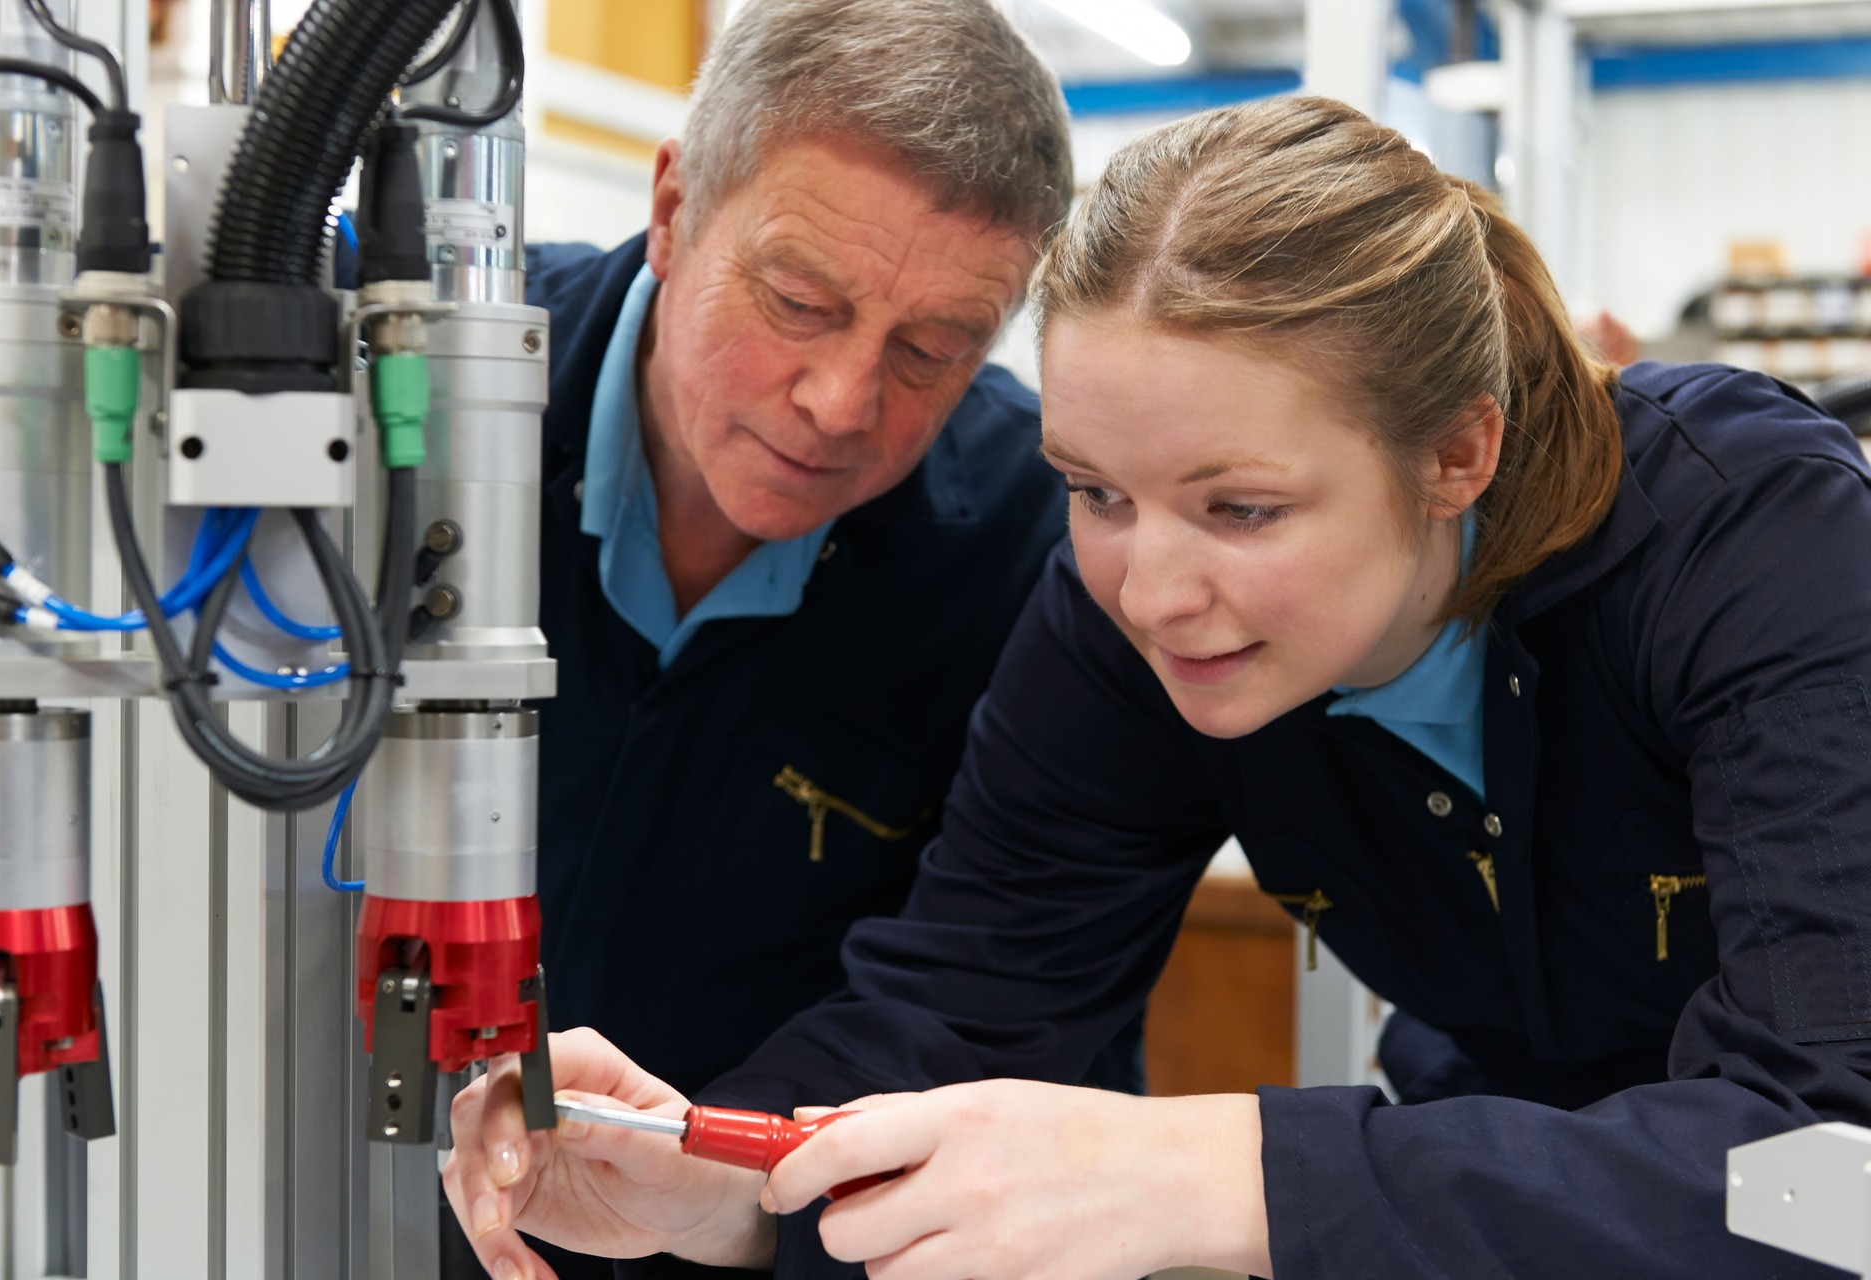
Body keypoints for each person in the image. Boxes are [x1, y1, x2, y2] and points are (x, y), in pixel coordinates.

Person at [449, 95, 1871, 1280]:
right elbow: (969, 1001)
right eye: (1093, 490)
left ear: (1456, 456)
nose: (1150, 589)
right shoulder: (1126, 613)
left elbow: (1828, 1184)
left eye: (1241, 509)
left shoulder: (1754, 546)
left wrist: (1228, 1176)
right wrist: (722, 1176)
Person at [444, 2, 1106, 1277]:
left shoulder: (1039, 546)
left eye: (931, 350)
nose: (842, 402)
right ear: (675, 208)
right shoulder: (445, 394)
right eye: (801, 301)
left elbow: (992, 1001)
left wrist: (741, 1190)